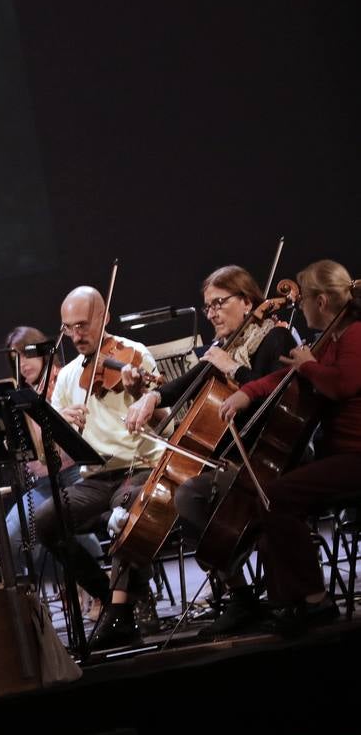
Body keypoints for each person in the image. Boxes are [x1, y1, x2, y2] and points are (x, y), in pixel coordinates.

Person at [121, 266, 297, 636]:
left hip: (273, 456)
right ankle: (240, 592)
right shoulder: (224, 346)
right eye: (207, 307)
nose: (213, 313)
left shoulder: (274, 339)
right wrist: (151, 397)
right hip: (236, 461)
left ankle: (246, 590)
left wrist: (233, 368)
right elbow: (183, 385)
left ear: (248, 302)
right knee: (172, 496)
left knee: (189, 496)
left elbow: (277, 399)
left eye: (220, 303)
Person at [218, 259, 361, 635]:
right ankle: (289, 601)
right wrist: (246, 394)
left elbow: (342, 385)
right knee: (268, 502)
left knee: (277, 495)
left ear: (322, 301)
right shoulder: (329, 338)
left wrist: (310, 366)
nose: (302, 308)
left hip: (356, 456)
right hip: (340, 454)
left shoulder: (355, 335)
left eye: (307, 301)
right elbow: (285, 373)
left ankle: (316, 601)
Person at [34, 287, 160, 651]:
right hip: (95, 477)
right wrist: (60, 426)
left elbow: (164, 419)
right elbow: (50, 456)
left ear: (104, 318)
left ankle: (120, 612)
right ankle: (115, 597)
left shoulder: (135, 356)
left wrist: (140, 395)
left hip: (139, 467)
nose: (76, 336)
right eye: (69, 328)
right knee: (45, 520)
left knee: (124, 512)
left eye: (83, 326)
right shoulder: (69, 376)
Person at [2, 327, 103, 609]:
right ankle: (30, 602)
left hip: (76, 475)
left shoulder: (67, 378)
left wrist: (58, 419)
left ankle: (97, 589)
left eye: (28, 355)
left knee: (72, 525)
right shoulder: (20, 395)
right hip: (44, 482)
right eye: (16, 359)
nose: (23, 364)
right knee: (11, 533)